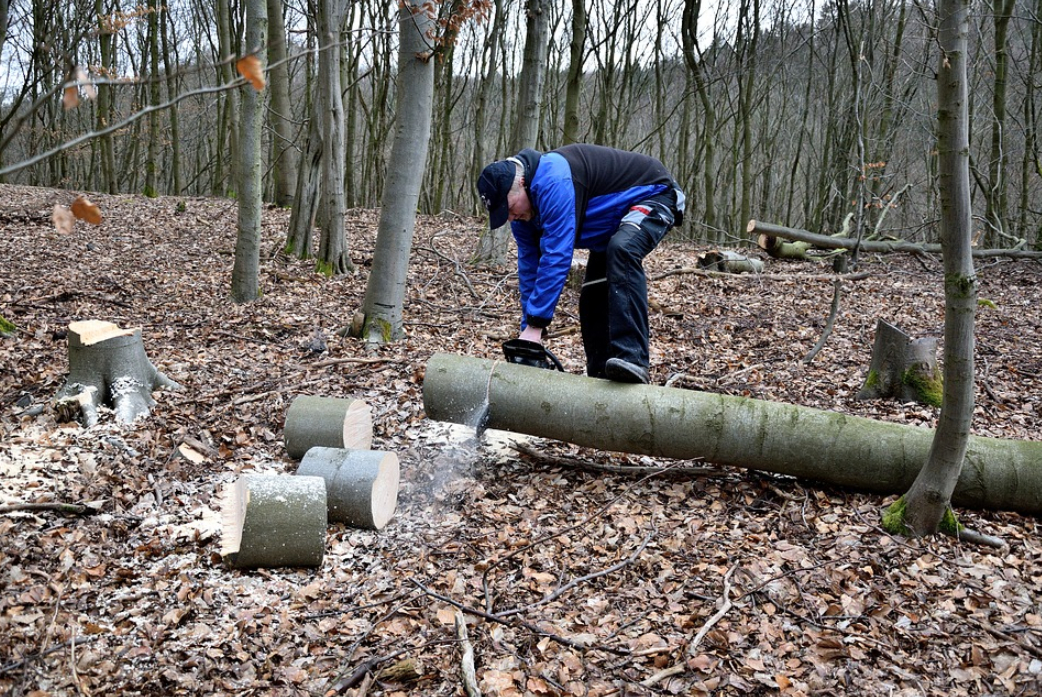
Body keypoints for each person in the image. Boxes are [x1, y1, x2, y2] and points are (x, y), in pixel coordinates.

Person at [477, 144, 686, 384]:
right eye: (505, 214)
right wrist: (529, 333)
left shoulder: (553, 179)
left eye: (510, 209)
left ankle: (633, 359)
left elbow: (556, 256)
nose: (511, 218)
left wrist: (537, 323)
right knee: (591, 298)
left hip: (655, 194)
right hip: (609, 227)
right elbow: (529, 268)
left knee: (623, 250)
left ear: (522, 183)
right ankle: (599, 379)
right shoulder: (521, 217)